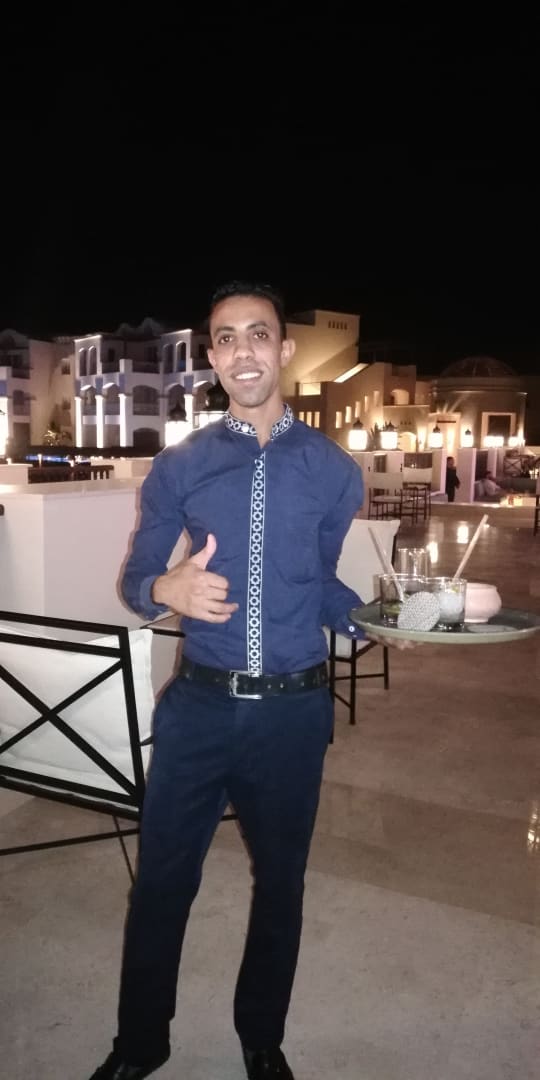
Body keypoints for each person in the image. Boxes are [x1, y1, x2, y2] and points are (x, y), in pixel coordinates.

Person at [89, 280, 401, 1080]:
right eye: (225, 339)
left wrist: (375, 619)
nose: (242, 351)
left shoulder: (334, 471)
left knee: (282, 884)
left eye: (257, 333)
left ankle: (262, 1038)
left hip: (294, 713)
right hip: (198, 707)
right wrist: (166, 589)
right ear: (213, 356)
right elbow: (136, 581)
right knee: (162, 883)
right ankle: (140, 1044)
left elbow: (319, 581)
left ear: (285, 349)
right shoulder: (179, 467)